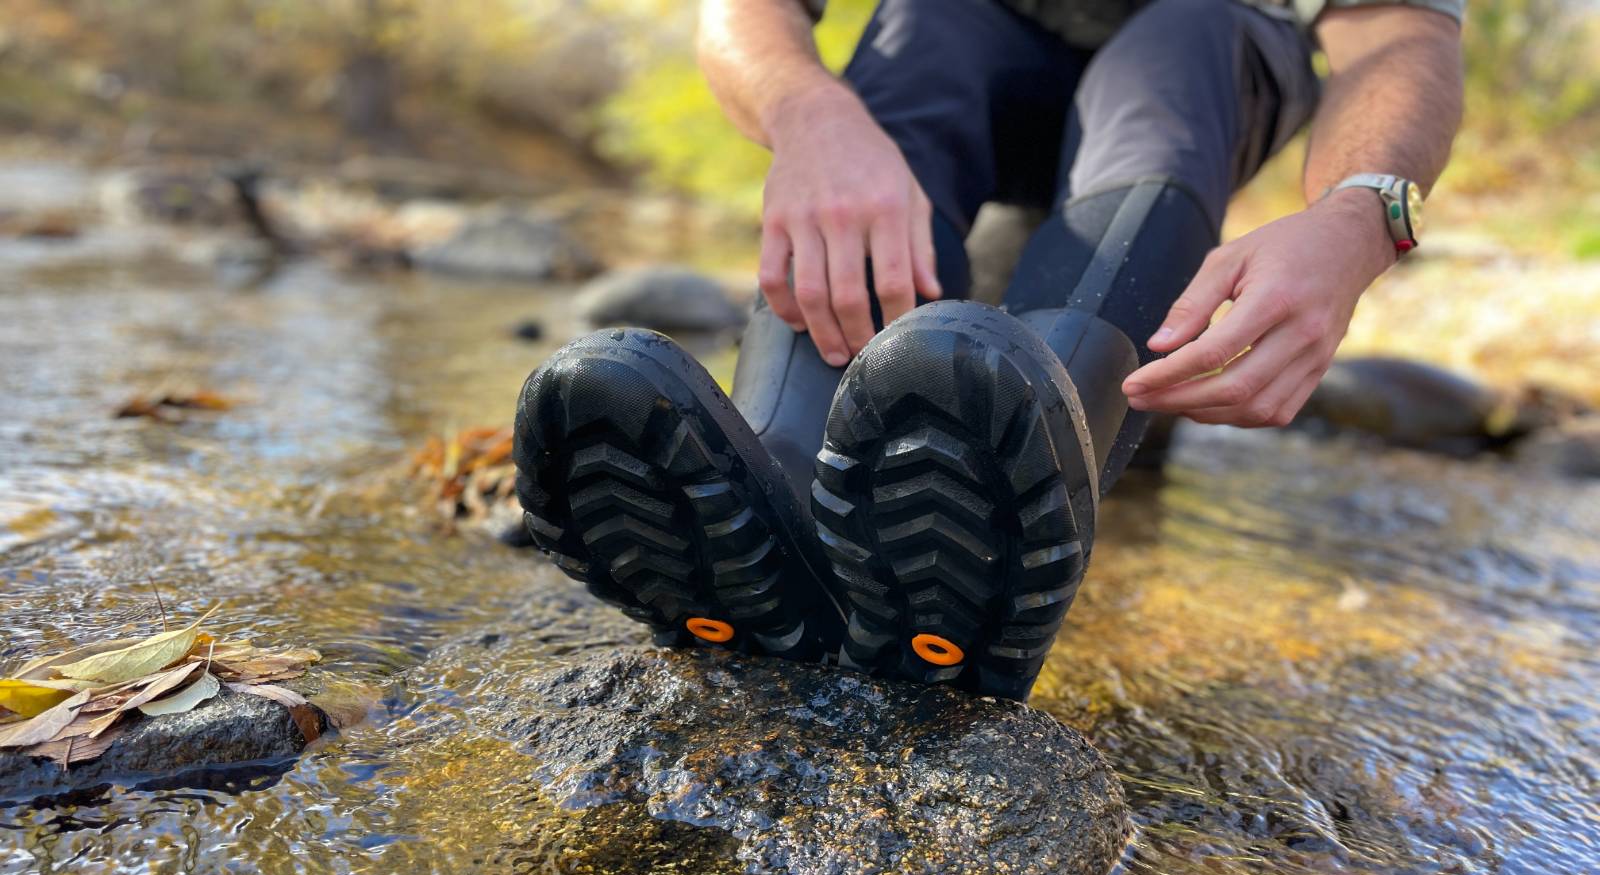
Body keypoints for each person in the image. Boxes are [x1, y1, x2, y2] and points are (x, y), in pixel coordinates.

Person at [513, 0, 1463, 700]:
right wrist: (811, 117)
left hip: (1203, 54)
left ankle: (1030, 464)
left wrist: (1359, 215)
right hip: (965, 46)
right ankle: (781, 495)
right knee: (927, 31)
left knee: (1178, 52)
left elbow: (1401, 34)